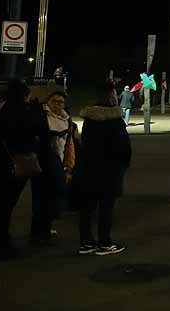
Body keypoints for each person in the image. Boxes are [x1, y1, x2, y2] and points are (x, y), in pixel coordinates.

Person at [0, 80, 46, 259]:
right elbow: (37, 129)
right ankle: (0, 245)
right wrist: (37, 110)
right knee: (4, 206)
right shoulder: (21, 112)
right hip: (13, 165)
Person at [74, 81, 132, 256]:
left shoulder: (89, 120)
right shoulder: (114, 120)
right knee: (106, 207)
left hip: (89, 167)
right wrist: (122, 166)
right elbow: (124, 148)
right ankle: (104, 242)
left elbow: (84, 144)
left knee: (87, 207)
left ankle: (86, 241)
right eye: (114, 94)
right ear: (110, 96)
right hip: (110, 170)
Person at [36, 91, 78, 241]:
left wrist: (69, 165)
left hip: (59, 162)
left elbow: (69, 143)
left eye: (60, 102)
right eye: (54, 101)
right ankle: (39, 232)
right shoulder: (42, 117)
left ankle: (45, 228)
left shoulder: (67, 119)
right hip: (42, 164)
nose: (57, 105)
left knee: (53, 198)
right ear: (48, 101)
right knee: (41, 199)